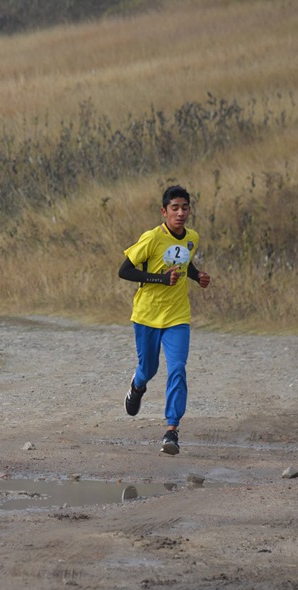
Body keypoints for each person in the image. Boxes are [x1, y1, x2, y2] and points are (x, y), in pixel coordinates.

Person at [118, 185, 211, 455]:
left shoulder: (192, 238)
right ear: (164, 211)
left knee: (178, 368)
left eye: (185, 208)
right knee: (149, 369)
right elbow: (125, 271)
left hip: (177, 316)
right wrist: (159, 279)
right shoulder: (152, 238)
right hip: (147, 315)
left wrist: (197, 276)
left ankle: (172, 430)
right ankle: (137, 386)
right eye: (175, 208)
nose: (180, 213)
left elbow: (184, 264)